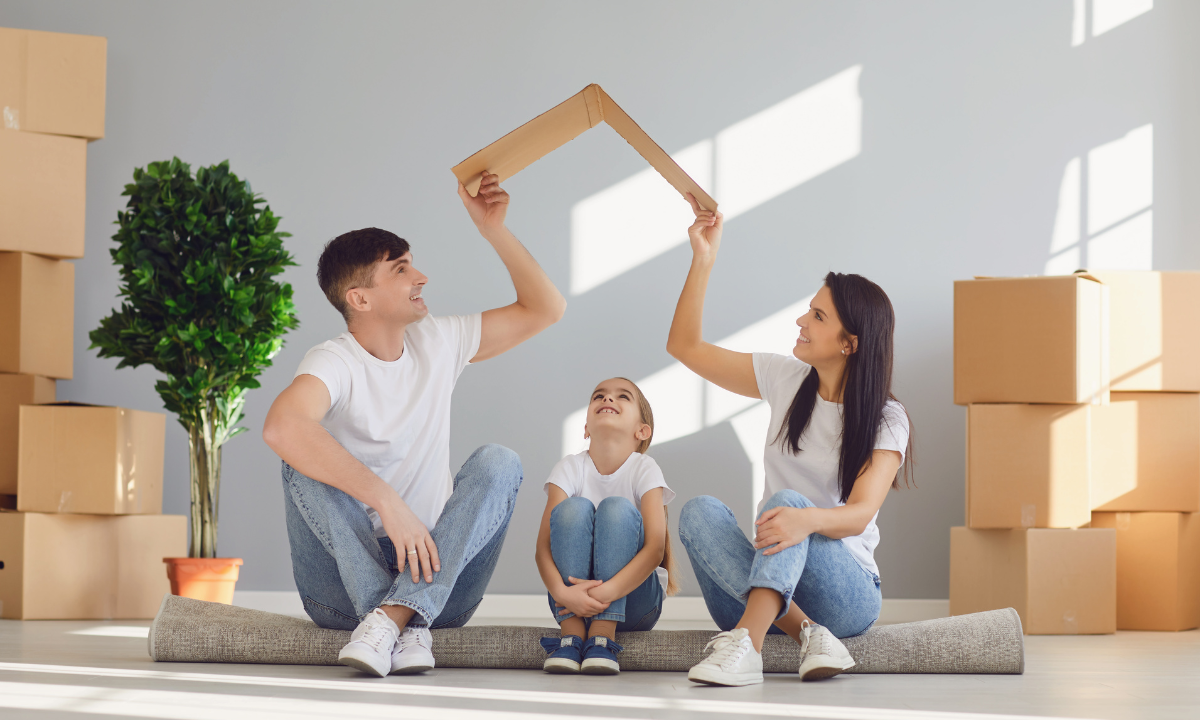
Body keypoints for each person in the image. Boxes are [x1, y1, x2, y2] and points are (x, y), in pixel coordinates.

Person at [262, 173, 566, 677]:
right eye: (401, 269)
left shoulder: (438, 341)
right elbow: (282, 428)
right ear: (360, 299)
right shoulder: (334, 360)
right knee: (298, 464)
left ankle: (394, 618)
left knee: (500, 462)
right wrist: (387, 501)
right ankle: (403, 619)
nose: (420, 276)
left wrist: (494, 230)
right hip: (339, 590)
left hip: (438, 574)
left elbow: (545, 308)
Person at [666, 194, 913, 686]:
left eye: (818, 317)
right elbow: (684, 347)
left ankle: (747, 645)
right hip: (770, 579)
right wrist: (703, 258)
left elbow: (860, 514)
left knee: (784, 504)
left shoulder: (887, 418)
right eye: (809, 311)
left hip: (844, 592)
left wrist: (802, 519)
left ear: (850, 343)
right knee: (698, 513)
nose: (802, 321)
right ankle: (803, 635)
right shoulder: (784, 378)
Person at [534, 378, 679, 675]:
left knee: (616, 507)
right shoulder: (569, 467)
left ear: (642, 431)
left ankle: (603, 634)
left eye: (622, 396)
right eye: (599, 395)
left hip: (635, 603)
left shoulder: (644, 468)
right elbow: (543, 550)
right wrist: (564, 594)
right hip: (570, 603)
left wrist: (607, 593)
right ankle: (571, 637)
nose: (608, 399)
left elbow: (655, 549)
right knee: (572, 508)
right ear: (586, 427)